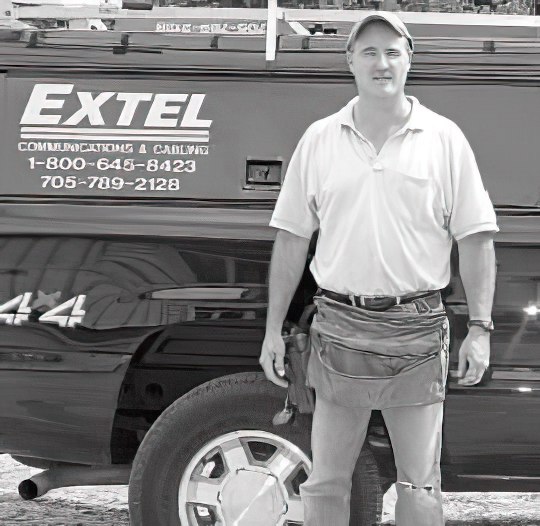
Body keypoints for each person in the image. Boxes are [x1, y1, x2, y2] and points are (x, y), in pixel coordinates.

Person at [259, 11, 498, 526]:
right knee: (325, 482)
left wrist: (480, 328)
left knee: (420, 484)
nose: (381, 62)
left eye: (393, 51)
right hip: (339, 331)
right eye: (369, 51)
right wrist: (273, 328)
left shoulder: (445, 139)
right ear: (350, 61)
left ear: (410, 60)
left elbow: (476, 238)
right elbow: (291, 237)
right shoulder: (320, 139)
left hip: (415, 331)